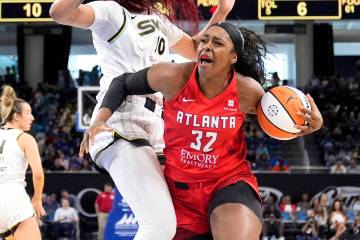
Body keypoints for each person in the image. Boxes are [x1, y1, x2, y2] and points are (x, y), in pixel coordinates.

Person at [82, 22, 323, 239]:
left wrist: (309, 126)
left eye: (217, 43)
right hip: (179, 192)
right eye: (204, 40)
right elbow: (123, 82)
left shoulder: (248, 91)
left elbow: (280, 122)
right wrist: (98, 121)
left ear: (233, 57)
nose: (206, 46)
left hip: (228, 183)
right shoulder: (173, 76)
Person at [50, 0, 235, 239]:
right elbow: (60, 12)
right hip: (119, 117)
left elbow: (194, 49)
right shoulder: (111, 12)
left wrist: (222, 11)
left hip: (157, 125)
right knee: (159, 225)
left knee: (184, 223)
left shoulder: (158, 19)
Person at [0, 85, 46, 240]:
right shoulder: (25, 138)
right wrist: (37, 199)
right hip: (13, 196)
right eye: (28, 113)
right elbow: (38, 174)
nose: (32, 117)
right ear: (16, 116)